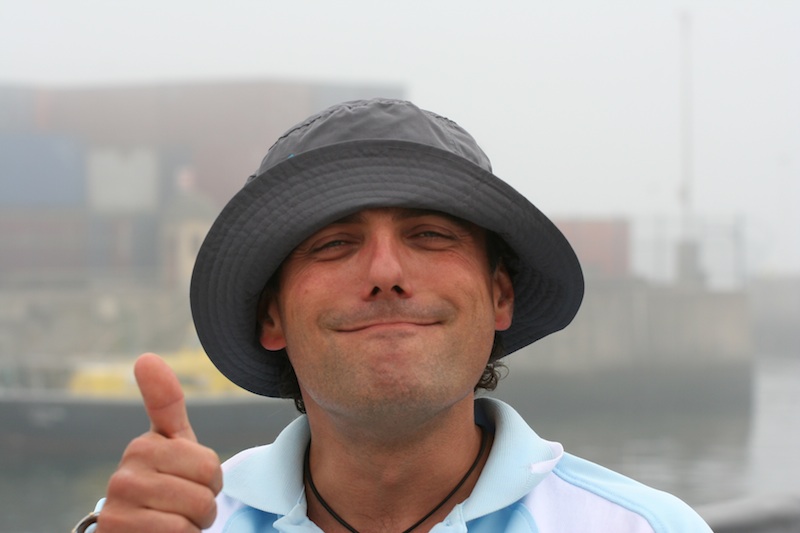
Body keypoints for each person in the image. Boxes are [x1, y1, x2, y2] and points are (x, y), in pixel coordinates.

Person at [74, 98, 711, 532]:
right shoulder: (165, 527)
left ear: (500, 297)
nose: (385, 271)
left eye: (430, 235)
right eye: (334, 243)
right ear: (272, 318)